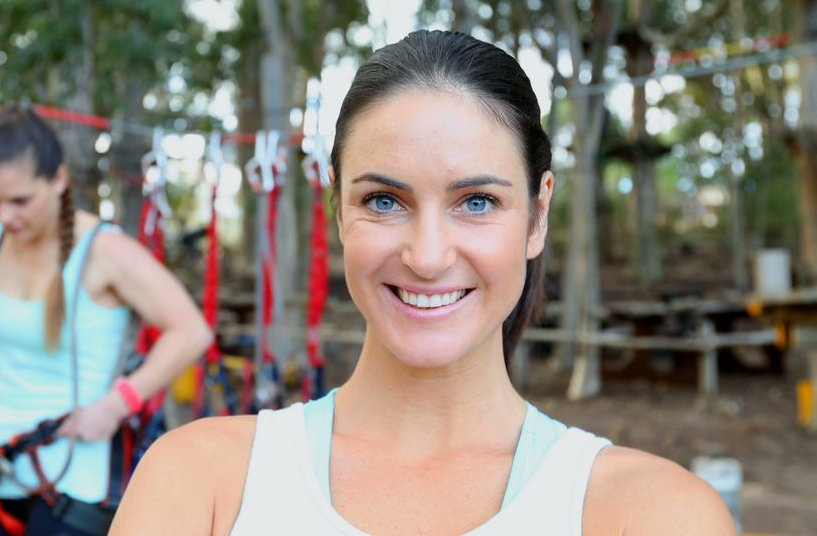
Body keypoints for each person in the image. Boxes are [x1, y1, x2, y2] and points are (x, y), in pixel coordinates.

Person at [110, 31, 735, 535]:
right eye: (384, 201)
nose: (428, 257)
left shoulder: (651, 513)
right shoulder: (200, 483)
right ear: (338, 211)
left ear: (538, 215)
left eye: (478, 202)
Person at [0, 107, 211, 535]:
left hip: (75, 475)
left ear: (59, 180)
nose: (5, 216)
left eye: (20, 200)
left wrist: (117, 403)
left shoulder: (104, 250)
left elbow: (191, 332)